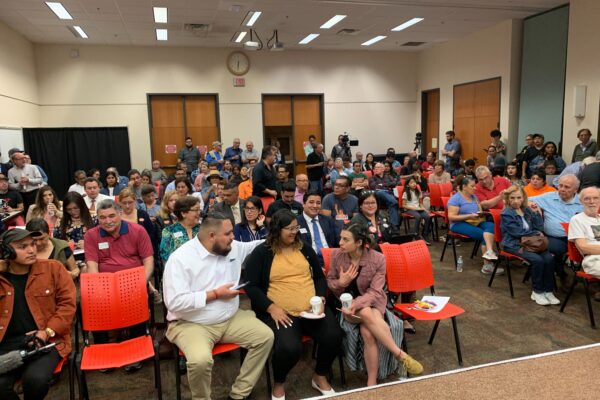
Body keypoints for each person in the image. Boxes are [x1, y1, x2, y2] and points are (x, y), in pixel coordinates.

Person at [163, 212, 273, 400]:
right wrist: (214, 295)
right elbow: (174, 302)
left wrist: (278, 236)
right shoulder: (180, 259)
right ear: (211, 236)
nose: (233, 237)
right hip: (191, 324)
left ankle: (239, 393)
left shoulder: (232, 247)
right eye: (228, 233)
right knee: (200, 361)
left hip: (230, 318)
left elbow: (253, 245)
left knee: (265, 337)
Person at [244, 210, 342, 399]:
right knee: (290, 348)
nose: (294, 232)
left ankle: (319, 375)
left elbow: (320, 278)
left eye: (296, 228)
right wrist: (271, 307)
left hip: (311, 310)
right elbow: (252, 286)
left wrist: (321, 298)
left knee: (334, 337)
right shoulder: (262, 252)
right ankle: (279, 382)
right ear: (277, 230)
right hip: (282, 312)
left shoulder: (304, 248)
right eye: (289, 229)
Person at [327, 224, 423, 385]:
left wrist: (358, 303)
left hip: (373, 303)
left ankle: (371, 382)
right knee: (364, 313)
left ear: (358, 243)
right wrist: (341, 282)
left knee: (368, 331)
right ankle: (399, 354)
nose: (340, 242)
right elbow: (329, 281)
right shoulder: (337, 255)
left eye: (345, 239)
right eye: (340, 238)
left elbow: (375, 292)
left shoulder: (378, 259)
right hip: (346, 306)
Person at [0, 229, 76, 400]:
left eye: (33, 244)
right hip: (6, 345)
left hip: (45, 342)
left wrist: (46, 332)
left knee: (35, 380)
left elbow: (67, 307)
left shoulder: (53, 268)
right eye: (22, 247)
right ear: (6, 251)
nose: (31, 250)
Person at [500, 186, 559, 306]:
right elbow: (517, 232)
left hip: (531, 243)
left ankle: (548, 291)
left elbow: (539, 227)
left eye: (519, 197)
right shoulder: (506, 213)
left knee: (549, 259)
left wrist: (537, 213)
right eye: (512, 198)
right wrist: (536, 233)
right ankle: (537, 291)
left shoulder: (526, 210)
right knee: (537, 260)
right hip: (514, 243)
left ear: (523, 198)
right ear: (507, 199)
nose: (516, 201)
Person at [528, 175, 583, 281]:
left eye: (567, 187)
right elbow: (524, 199)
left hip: (577, 237)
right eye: (560, 185)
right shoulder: (549, 197)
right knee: (556, 249)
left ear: (576, 189)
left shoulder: (582, 201)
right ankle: (561, 274)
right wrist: (532, 205)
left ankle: (581, 276)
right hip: (554, 237)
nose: (562, 189)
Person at [447, 175, 501, 274]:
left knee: (492, 226)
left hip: (475, 221)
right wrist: (468, 216)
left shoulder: (474, 197)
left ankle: (489, 251)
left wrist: (481, 214)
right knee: (484, 235)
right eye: (472, 186)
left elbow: (479, 210)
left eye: (475, 186)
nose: (475, 188)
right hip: (458, 223)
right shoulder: (455, 199)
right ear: (464, 187)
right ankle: (487, 265)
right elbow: (451, 217)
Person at [298, 191, 339, 266]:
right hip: (309, 261)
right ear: (303, 204)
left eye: (318, 203)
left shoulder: (328, 220)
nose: (315, 206)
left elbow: (337, 241)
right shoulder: (296, 222)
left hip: (331, 258)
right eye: (311, 202)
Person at [568, 187, 600, 281]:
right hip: (594, 260)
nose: (592, 201)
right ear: (581, 201)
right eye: (587, 198)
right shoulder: (577, 219)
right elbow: (584, 248)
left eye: (595, 198)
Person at [159, 196, 202, 262]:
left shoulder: (203, 230)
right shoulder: (169, 231)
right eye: (196, 210)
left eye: (199, 209)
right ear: (183, 213)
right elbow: (166, 256)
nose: (199, 213)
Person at [118, 189, 160, 255]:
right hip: (122, 251)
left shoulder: (142, 214)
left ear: (135, 201)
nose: (127, 206)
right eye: (124, 203)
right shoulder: (116, 217)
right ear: (119, 203)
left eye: (130, 202)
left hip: (142, 250)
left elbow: (152, 234)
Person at [402, 177, 432, 244]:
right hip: (409, 209)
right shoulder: (405, 193)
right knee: (418, 217)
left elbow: (421, 203)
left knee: (427, 217)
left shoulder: (418, 192)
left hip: (418, 208)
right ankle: (416, 234)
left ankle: (425, 234)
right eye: (411, 182)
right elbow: (404, 205)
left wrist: (424, 209)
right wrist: (415, 208)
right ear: (407, 185)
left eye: (414, 182)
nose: (414, 184)